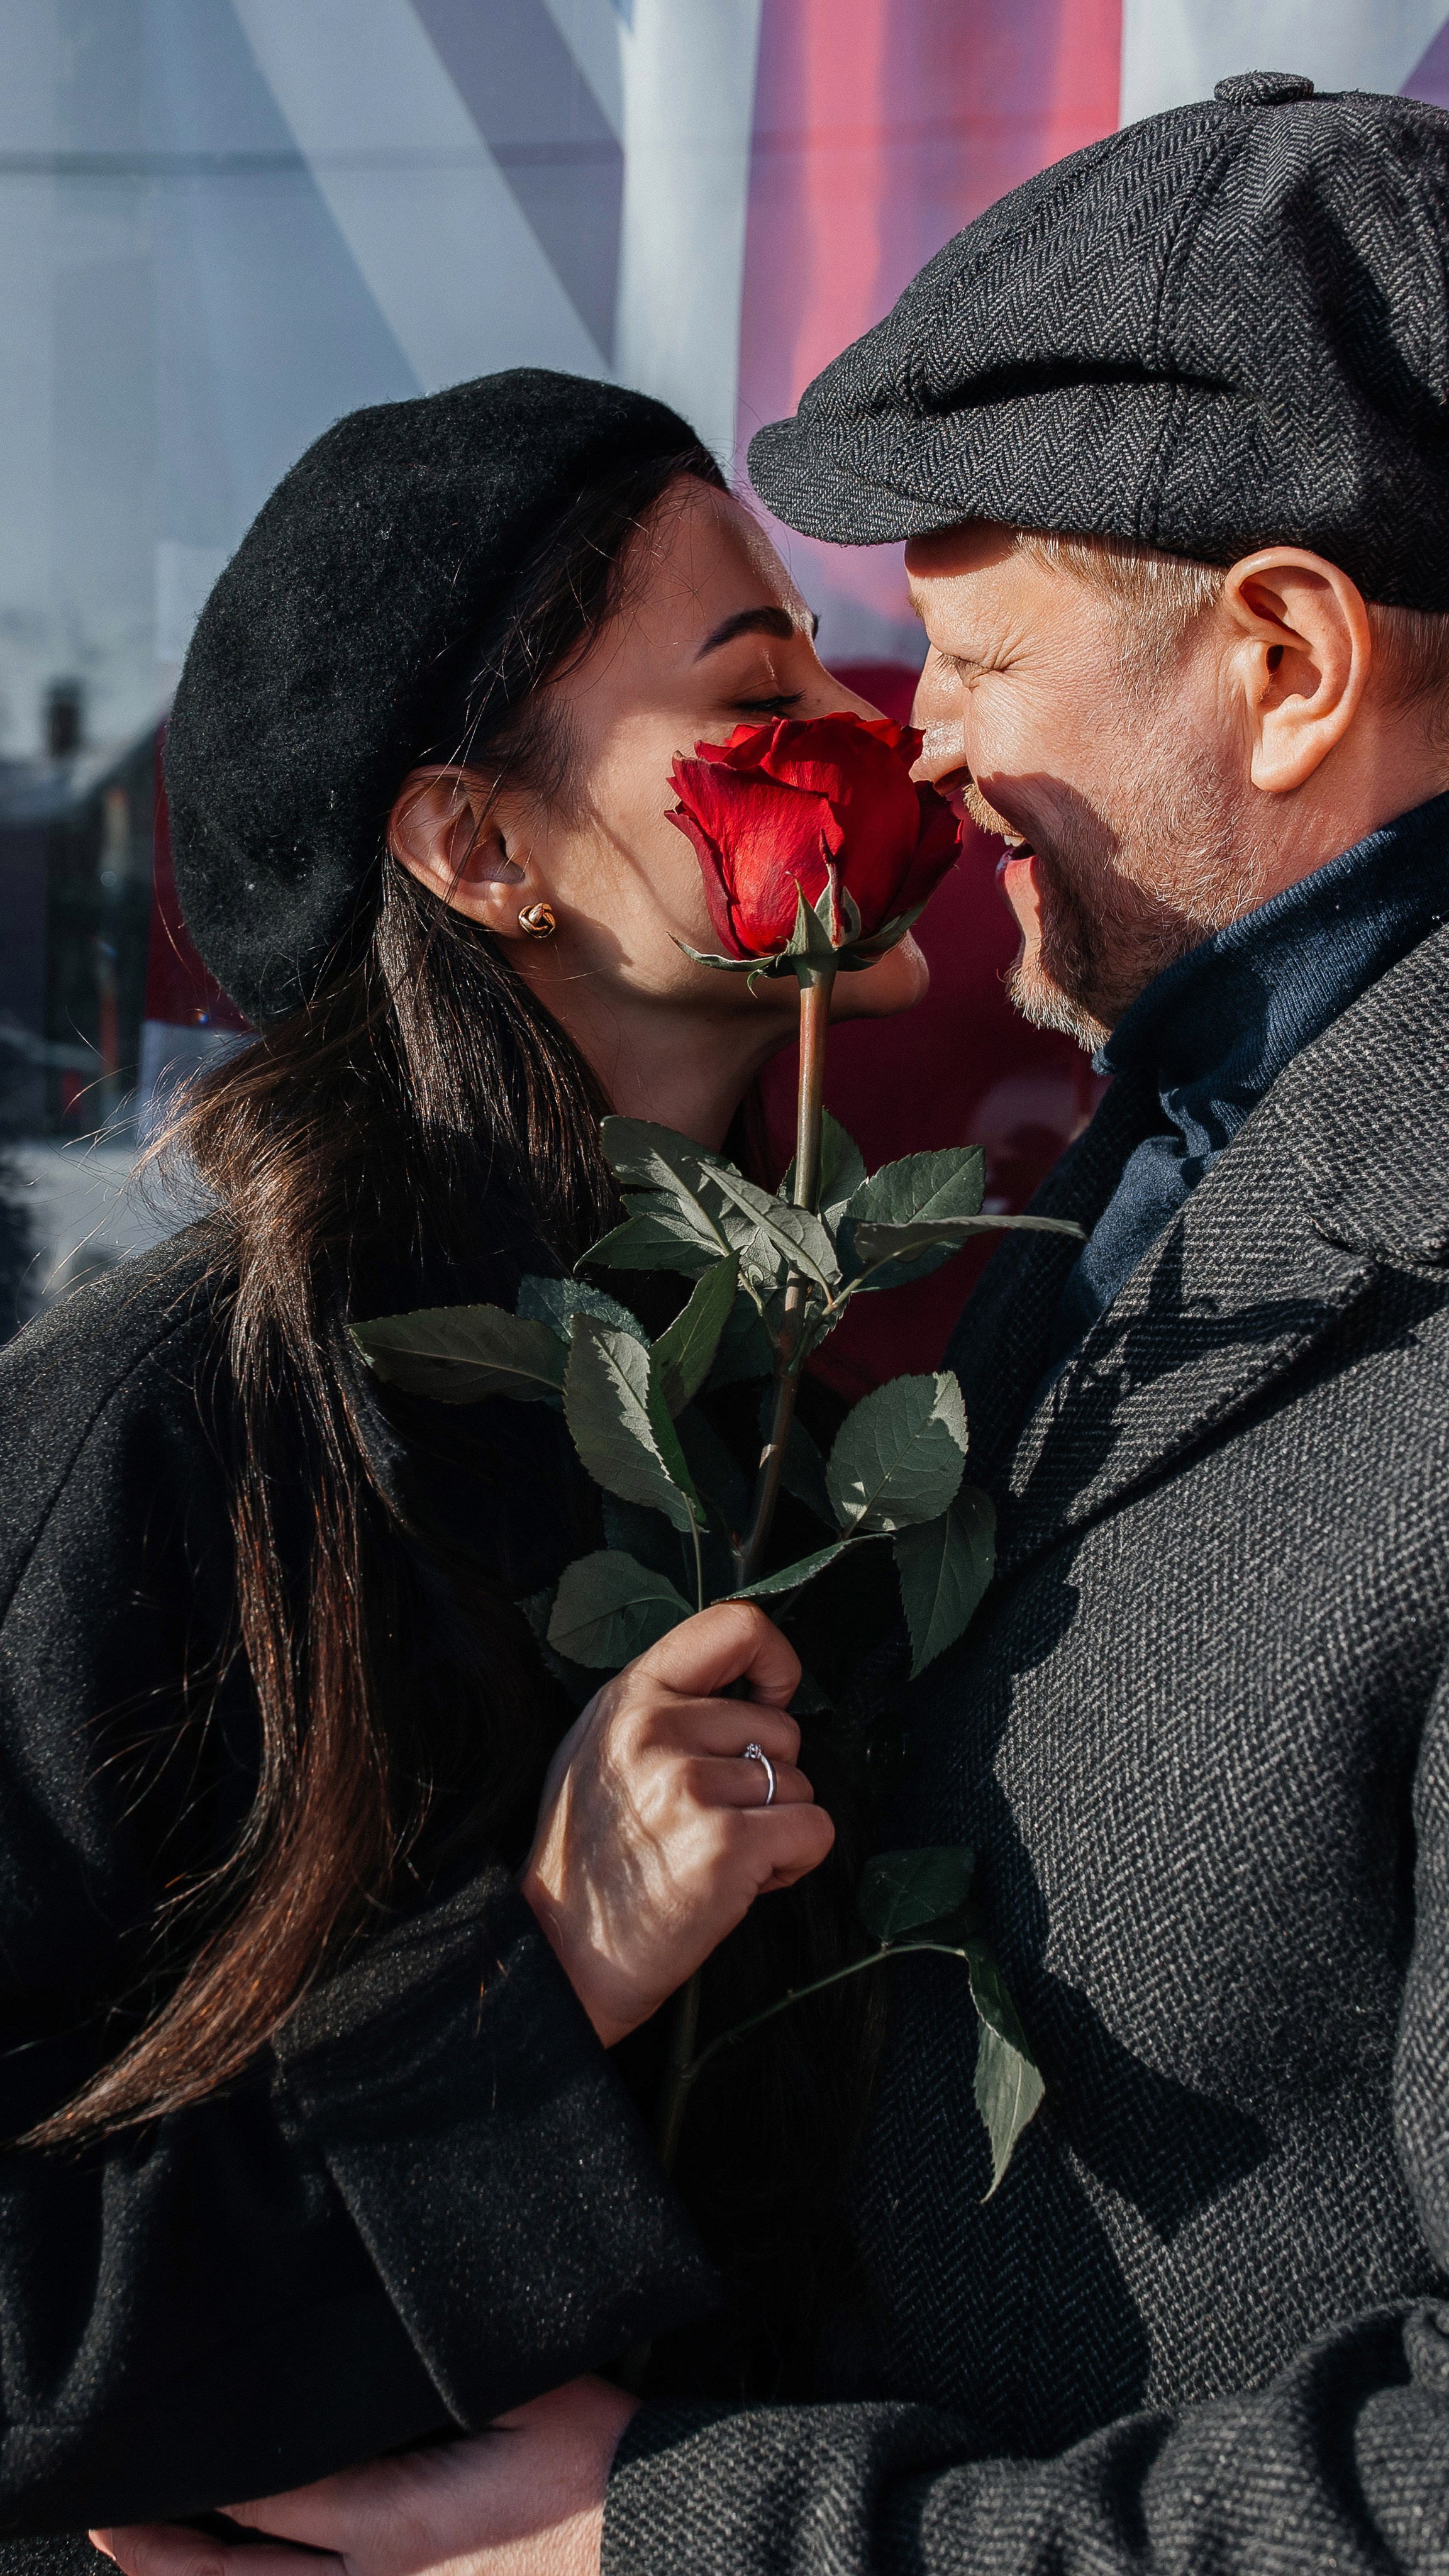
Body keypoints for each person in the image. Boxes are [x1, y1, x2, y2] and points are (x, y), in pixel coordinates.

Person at [109, 69, 1449, 2576]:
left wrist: (685, 2539)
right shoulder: (1132, 1184)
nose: (904, 739)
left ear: (1279, 663)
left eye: (967, 650)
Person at [0, 367, 937, 2550]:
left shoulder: (802, 1420)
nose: (871, 720)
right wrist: (553, 1964)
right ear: (479, 848)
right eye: (760, 671)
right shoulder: (178, 1433)